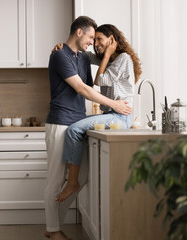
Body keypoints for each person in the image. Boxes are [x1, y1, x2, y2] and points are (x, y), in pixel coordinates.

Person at [44, 17, 132, 240]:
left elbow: (93, 82)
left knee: (80, 178)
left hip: (76, 121)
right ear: (79, 32)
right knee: (56, 179)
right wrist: (114, 105)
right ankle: (53, 230)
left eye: (96, 39)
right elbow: (82, 88)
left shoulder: (82, 57)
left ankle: (53, 224)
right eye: (92, 37)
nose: (93, 43)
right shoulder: (59, 55)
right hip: (59, 121)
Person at [55, 24, 142, 203]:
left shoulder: (122, 58)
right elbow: (82, 53)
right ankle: (71, 177)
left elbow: (98, 80)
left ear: (112, 40)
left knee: (73, 130)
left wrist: (108, 53)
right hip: (111, 114)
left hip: (120, 116)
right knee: (75, 127)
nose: (95, 44)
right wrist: (61, 48)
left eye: (99, 40)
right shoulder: (108, 58)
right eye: (94, 40)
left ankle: (72, 182)